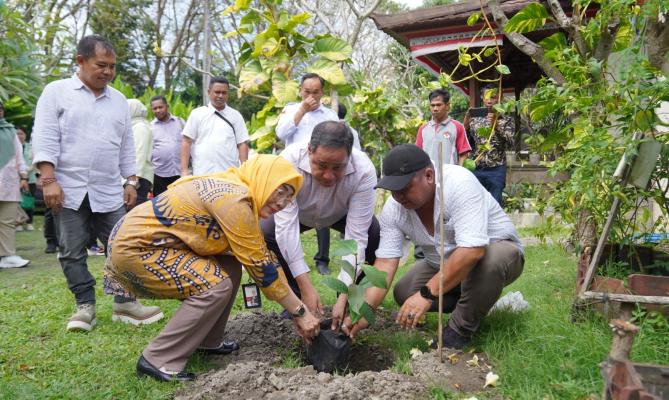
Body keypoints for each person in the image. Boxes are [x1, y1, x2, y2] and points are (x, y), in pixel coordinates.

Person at [103, 155, 320, 382]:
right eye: (280, 190)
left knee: (230, 265)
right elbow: (261, 267)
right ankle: (158, 359)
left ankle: (208, 340)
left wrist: (297, 304)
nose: (282, 203)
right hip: (137, 249)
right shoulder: (234, 199)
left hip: (147, 242)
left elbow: (263, 256)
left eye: (289, 197)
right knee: (216, 285)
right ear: (263, 177)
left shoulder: (238, 189)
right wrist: (300, 312)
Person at [32, 35, 163, 332]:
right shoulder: (56, 92)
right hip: (67, 188)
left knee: (122, 246)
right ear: (80, 61)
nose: (107, 72)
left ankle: (125, 303)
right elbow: (45, 136)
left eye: (112, 67)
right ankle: (85, 306)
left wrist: (131, 180)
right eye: (101, 65)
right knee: (71, 250)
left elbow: (126, 145)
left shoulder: (118, 101)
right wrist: (49, 179)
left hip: (108, 188)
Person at [338, 144, 524, 349]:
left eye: (404, 188)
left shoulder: (459, 183)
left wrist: (427, 294)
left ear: (428, 175)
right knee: (405, 292)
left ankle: (459, 329)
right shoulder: (394, 209)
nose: (398, 197)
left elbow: (473, 250)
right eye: (393, 190)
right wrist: (365, 311)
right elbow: (385, 263)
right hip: (442, 262)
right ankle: (474, 299)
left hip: (497, 250)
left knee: (491, 261)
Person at [262, 121, 380, 318]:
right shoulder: (288, 162)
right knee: (267, 232)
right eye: (321, 165)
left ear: (349, 156)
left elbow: (356, 238)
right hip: (299, 214)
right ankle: (297, 300)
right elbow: (286, 231)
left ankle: (350, 301)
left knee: (374, 234)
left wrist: (344, 294)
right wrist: (306, 287)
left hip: (339, 213)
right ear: (309, 150)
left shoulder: (364, 171)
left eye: (338, 168)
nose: (329, 175)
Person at [276, 73, 340, 274]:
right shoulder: (291, 110)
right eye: (307, 92)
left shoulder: (329, 115)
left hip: (321, 170)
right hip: (294, 172)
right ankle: (291, 259)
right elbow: (281, 133)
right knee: (289, 214)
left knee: (323, 213)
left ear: (322, 93)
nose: (311, 96)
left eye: (315, 92)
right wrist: (302, 110)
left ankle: (322, 260)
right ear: (300, 91)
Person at [180, 76, 249, 176]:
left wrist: (244, 171)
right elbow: (186, 142)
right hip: (202, 174)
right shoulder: (197, 114)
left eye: (224, 93)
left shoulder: (236, 116)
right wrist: (184, 171)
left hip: (229, 175)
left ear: (228, 94)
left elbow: (242, 144)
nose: (220, 96)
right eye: (217, 92)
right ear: (209, 92)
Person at [463, 85, 515, 205]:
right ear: (482, 97)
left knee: (495, 204)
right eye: (487, 97)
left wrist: (495, 126)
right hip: (476, 167)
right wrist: (465, 125)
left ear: (499, 98)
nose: (489, 100)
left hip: (496, 168)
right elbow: (464, 141)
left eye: (493, 97)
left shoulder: (506, 119)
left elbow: (511, 143)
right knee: (475, 203)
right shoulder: (475, 119)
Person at [0, 101, 31, 269]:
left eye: (1, 109)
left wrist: (24, 177)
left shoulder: (10, 131)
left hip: (9, 183)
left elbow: (19, 157)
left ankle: (8, 256)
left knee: (7, 221)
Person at [416, 88, 471, 166]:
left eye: (439, 105)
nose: (435, 108)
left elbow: (463, 153)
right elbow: (418, 154)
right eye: (433, 105)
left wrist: (459, 172)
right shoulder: (423, 129)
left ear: (447, 106)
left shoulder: (457, 127)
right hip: (428, 176)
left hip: (450, 175)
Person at [150, 95, 183, 196]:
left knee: (180, 204)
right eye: (155, 108)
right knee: (161, 206)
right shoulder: (150, 127)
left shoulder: (180, 122)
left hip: (179, 173)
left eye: (160, 107)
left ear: (167, 106)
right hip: (159, 175)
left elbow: (189, 144)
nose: (158, 110)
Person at [128, 99, 153, 204]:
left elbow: (139, 156)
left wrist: (132, 182)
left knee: (132, 212)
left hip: (138, 178)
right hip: (135, 177)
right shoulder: (134, 126)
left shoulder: (140, 127)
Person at [16, 128, 37, 231]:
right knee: (17, 202)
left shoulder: (31, 147)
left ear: (25, 135)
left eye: (21, 133)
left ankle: (29, 222)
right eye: (17, 134)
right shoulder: (12, 147)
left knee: (29, 202)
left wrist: (27, 170)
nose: (19, 135)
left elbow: (35, 160)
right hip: (15, 179)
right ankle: (19, 222)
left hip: (30, 178)